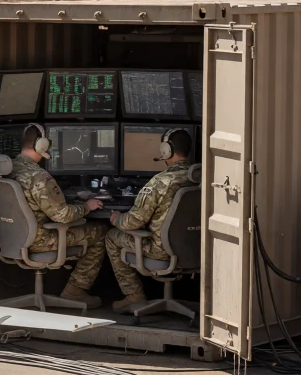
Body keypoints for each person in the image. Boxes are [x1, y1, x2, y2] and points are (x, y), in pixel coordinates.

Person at [11, 124, 108, 307]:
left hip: (14, 239)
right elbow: (62, 215)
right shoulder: (38, 177)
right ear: (41, 145)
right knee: (101, 231)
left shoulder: (10, 170)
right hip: (40, 241)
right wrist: (87, 206)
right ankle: (75, 291)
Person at [105, 128, 195, 313]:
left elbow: (133, 222)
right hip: (195, 249)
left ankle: (134, 296)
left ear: (166, 150)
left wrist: (116, 218)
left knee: (112, 237)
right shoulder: (202, 179)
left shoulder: (160, 182)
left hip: (160, 251)